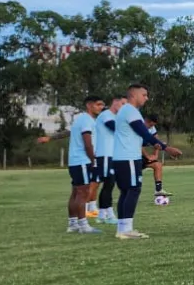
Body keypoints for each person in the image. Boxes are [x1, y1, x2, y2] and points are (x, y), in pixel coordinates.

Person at [111, 84, 183, 239]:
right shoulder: (131, 111)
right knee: (133, 189)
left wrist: (156, 145)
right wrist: (166, 148)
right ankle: (126, 230)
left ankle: (122, 229)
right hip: (128, 157)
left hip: (121, 157)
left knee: (126, 191)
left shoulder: (125, 111)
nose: (147, 98)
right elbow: (144, 133)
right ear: (134, 95)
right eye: (144, 95)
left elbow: (141, 136)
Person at [38, 96, 106, 234]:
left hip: (75, 161)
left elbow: (67, 132)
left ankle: (73, 224)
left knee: (76, 192)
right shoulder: (86, 120)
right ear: (89, 105)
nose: (101, 107)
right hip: (83, 161)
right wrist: (93, 160)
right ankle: (83, 226)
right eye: (98, 104)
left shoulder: (80, 119)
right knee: (83, 193)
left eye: (102, 105)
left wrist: (50, 138)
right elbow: (87, 142)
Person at [91, 95, 126, 224]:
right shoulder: (106, 115)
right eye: (122, 104)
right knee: (109, 183)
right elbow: (115, 128)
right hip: (105, 154)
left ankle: (104, 214)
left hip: (113, 155)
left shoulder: (116, 117)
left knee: (110, 184)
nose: (124, 107)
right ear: (115, 102)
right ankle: (106, 214)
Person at [141, 115, 169, 198]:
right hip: (132, 157)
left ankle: (158, 190)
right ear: (145, 120)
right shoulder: (138, 127)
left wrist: (155, 155)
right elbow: (138, 145)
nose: (151, 127)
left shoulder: (152, 128)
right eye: (150, 125)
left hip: (141, 156)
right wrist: (148, 156)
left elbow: (157, 142)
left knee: (157, 165)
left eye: (153, 125)